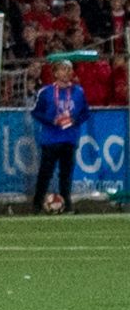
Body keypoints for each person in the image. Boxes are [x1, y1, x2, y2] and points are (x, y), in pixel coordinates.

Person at [31, 57, 87, 214]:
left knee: (66, 174)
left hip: (70, 138)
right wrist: (52, 121)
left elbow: (85, 113)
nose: (66, 73)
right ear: (55, 72)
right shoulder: (46, 92)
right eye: (62, 69)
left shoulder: (79, 92)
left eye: (69, 69)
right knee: (45, 173)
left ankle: (67, 204)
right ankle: (37, 204)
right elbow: (36, 112)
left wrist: (75, 120)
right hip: (50, 139)